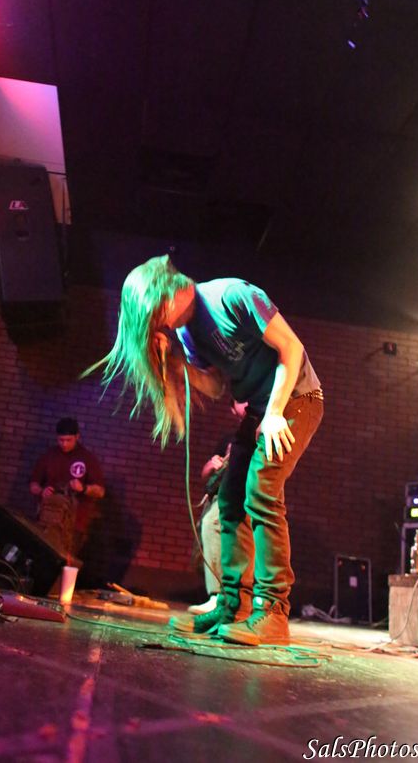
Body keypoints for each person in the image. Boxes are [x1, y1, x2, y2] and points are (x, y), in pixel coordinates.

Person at [86, 254, 323, 645]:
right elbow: (214, 387)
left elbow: (292, 349)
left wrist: (275, 412)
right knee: (229, 501)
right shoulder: (186, 335)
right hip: (260, 410)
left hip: (297, 399)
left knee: (262, 493)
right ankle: (233, 607)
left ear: (168, 295)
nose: (157, 326)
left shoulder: (232, 295)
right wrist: (173, 359)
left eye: (154, 318)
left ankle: (273, 612)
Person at [187, 400, 254, 616]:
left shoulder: (258, 433)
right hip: (222, 493)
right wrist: (212, 465)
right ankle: (221, 597)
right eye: (240, 402)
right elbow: (205, 475)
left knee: (215, 526)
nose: (245, 403)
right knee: (211, 528)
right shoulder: (230, 439)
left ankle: (223, 597)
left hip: (243, 493)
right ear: (233, 410)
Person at [29, 418, 105, 560]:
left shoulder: (87, 458)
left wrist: (83, 488)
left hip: (74, 525)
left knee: (64, 561)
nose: (64, 444)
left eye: (68, 440)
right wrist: (41, 491)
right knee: (40, 557)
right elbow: (33, 485)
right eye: (61, 440)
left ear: (77, 437)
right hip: (47, 520)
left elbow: (100, 491)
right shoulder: (49, 455)